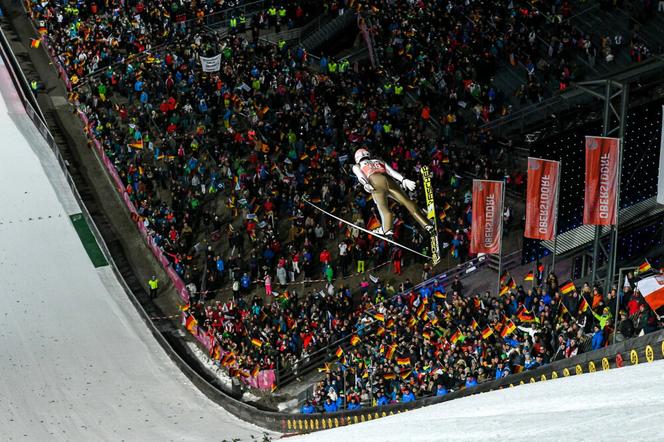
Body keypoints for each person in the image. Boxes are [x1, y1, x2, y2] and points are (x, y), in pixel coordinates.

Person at [352, 148, 433, 236]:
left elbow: (360, 176)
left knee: (383, 207)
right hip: (390, 180)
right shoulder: (378, 161)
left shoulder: (357, 165)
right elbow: (392, 172)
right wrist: (403, 179)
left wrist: (365, 184)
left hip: (375, 181)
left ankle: (387, 228)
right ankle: (427, 224)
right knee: (407, 202)